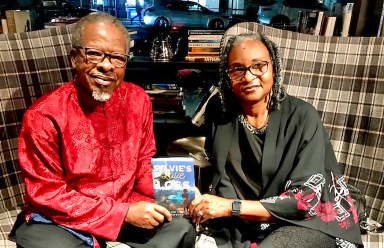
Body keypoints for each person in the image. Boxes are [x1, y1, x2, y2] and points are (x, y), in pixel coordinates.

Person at [10, 12, 195, 248]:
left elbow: (143, 165)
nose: (106, 66)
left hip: (127, 203)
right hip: (64, 218)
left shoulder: (138, 100)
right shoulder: (44, 116)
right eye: (95, 54)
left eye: (117, 57)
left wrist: (182, 192)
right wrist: (122, 213)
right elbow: (47, 193)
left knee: (181, 228)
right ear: (74, 58)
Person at [188, 31, 363, 248]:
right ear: (228, 75)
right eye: (238, 69)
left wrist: (232, 207)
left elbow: (305, 200)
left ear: (274, 68)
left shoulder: (303, 116)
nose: (249, 77)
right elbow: (221, 180)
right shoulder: (220, 112)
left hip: (307, 222)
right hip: (246, 222)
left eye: (259, 65)